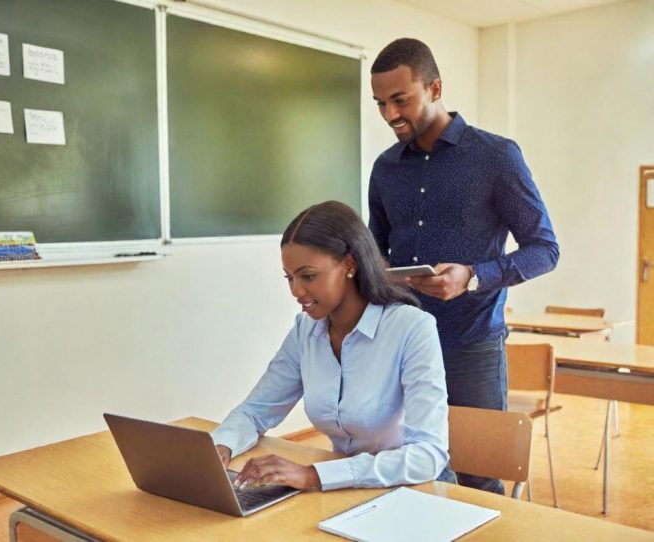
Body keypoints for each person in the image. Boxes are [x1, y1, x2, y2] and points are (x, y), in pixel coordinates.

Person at [368, 38, 559, 495]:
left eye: (401, 100)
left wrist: (472, 275)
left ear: (435, 88)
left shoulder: (496, 156)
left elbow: (544, 249)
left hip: (471, 342)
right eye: (380, 103)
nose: (391, 114)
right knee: (410, 465)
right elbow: (377, 251)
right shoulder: (384, 169)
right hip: (403, 341)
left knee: (477, 475)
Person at [211, 200, 453, 491]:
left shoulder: (411, 328)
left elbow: (426, 456)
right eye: (290, 278)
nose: (296, 291)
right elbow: (256, 411)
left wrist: (314, 475)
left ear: (349, 264)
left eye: (308, 276)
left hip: (412, 489)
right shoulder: (306, 331)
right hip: (345, 489)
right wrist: (220, 447)